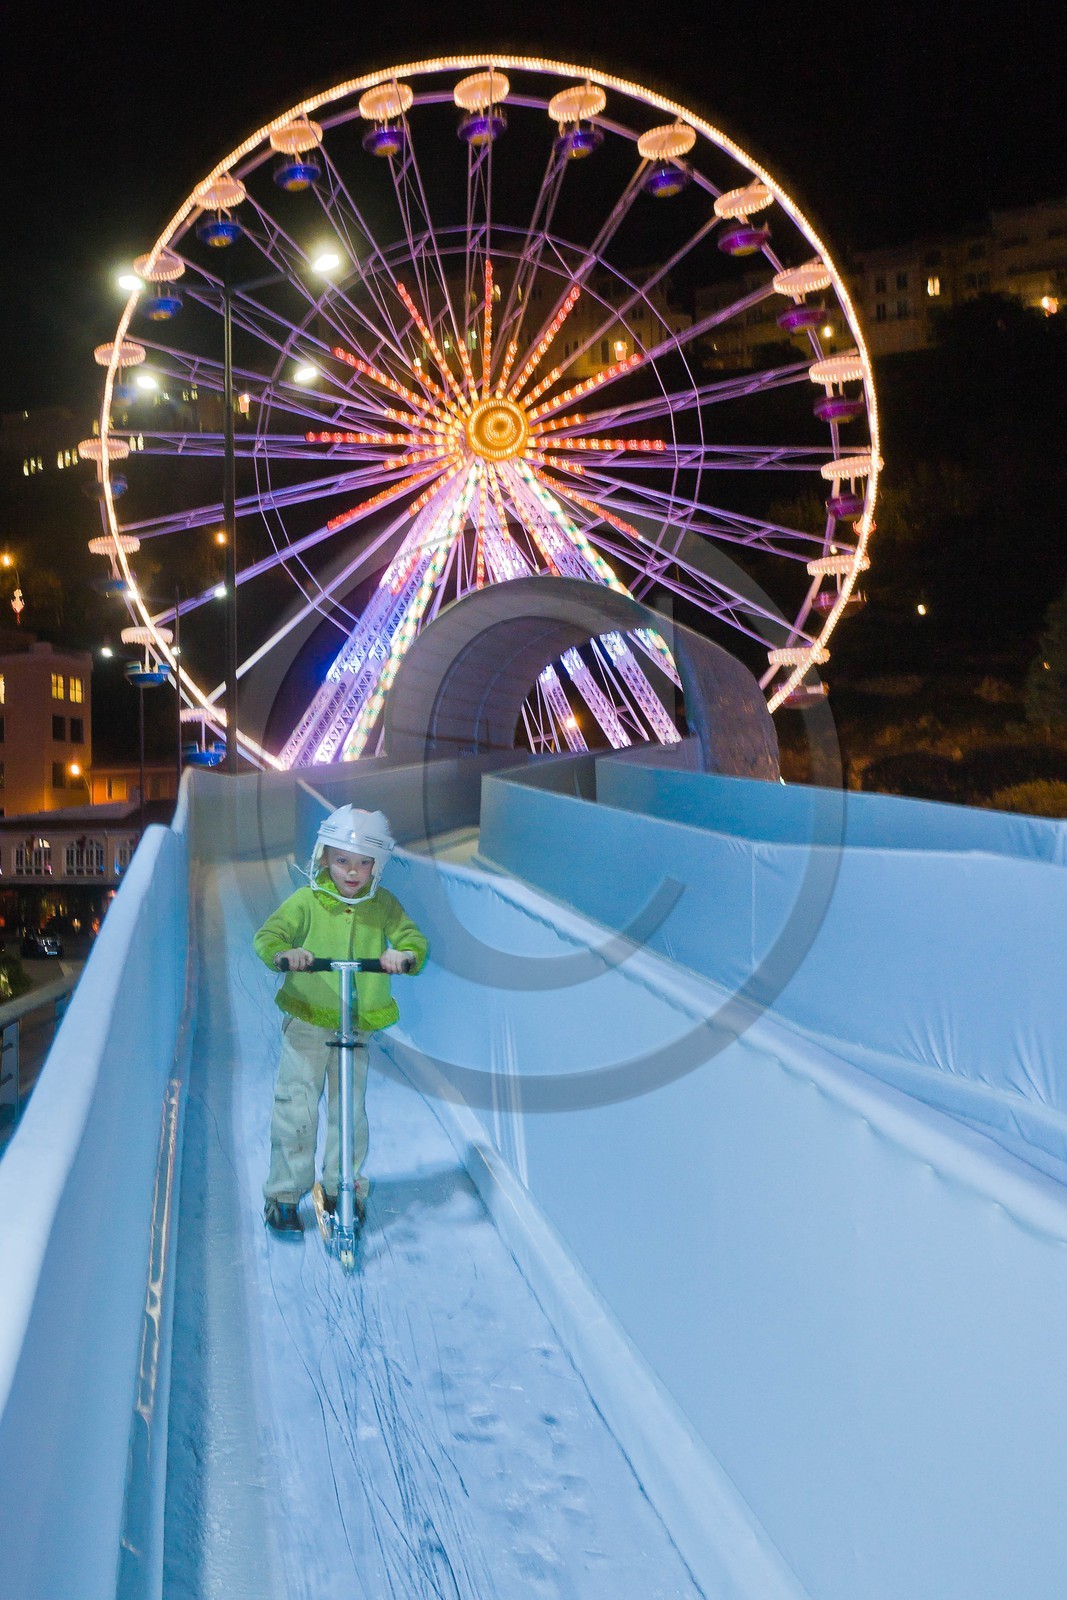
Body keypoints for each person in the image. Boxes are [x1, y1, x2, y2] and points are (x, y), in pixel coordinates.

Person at [253, 805, 428, 1237]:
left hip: (356, 1024)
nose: (352, 871)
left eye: (364, 863)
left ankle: (342, 1187)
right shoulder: (307, 901)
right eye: (342, 860)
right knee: (296, 1106)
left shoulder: (382, 905)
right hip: (309, 1020)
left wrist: (403, 955)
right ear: (324, 858)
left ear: (376, 865)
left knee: (349, 1110)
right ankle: (284, 1194)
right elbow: (269, 936)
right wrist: (286, 954)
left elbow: (411, 938)